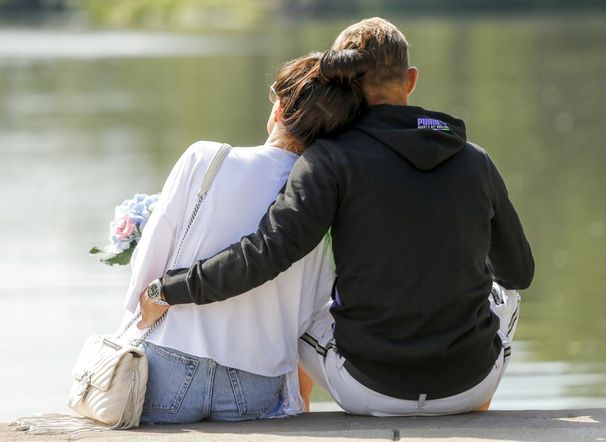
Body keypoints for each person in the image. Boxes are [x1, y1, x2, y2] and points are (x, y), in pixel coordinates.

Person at [140, 17, 535, 416]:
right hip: (468, 384)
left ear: (343, 85)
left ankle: (297, 412)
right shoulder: (475, 159)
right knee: (506, 296)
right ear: (411, 79)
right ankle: (475, 409)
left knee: (303, 312)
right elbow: (519, 273)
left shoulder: (329, 161)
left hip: (369, 390)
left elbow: (264, 255)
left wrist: (168, 289)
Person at [126, 50, 367, 423]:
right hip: (257, 380)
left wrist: (143, 311)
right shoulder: (322, 198)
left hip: (171, 366)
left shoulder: (205, 158)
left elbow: (147, 269)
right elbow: (313, 311)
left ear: (282, 107)